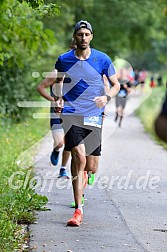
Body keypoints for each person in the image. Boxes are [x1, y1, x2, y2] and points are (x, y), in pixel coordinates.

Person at [37, 20, 120, 226]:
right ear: (75, 37)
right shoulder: (63, 60)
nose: (83, 38)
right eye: (80, 34)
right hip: (71, 114)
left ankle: (84, 179)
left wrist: (106, 98)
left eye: (86, 34)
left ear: (91, 36)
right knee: (79, 156)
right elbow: (58, 83)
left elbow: (116, 84)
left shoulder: (102, 59)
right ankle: (78, 209)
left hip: (94, 115)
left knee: (91, 167)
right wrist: (58, 99)